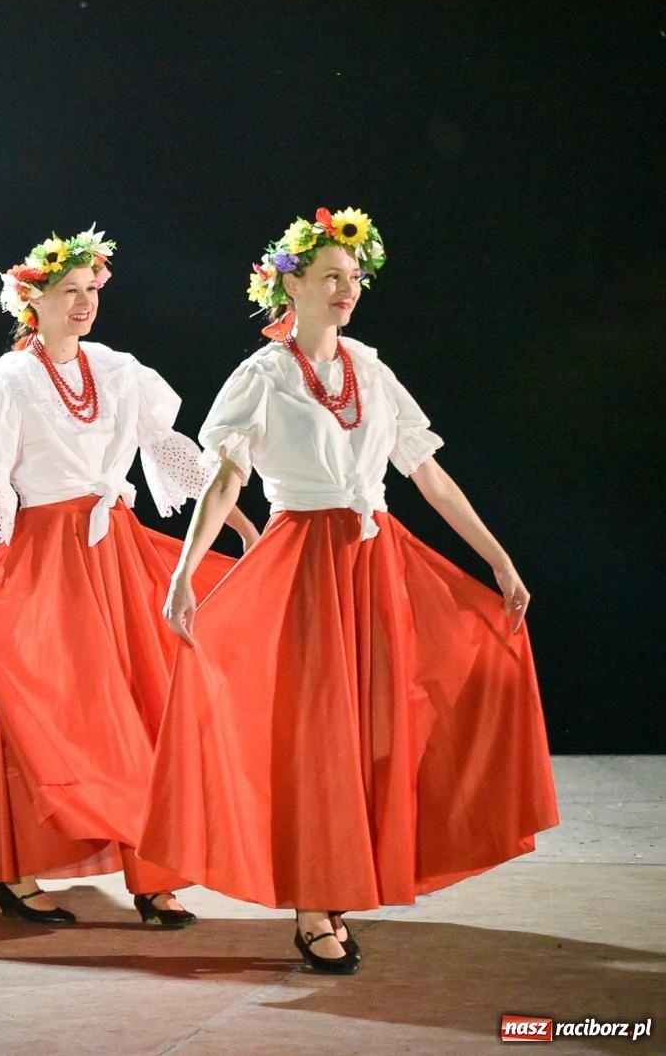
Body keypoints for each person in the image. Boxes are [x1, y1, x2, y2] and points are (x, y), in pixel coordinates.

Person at [145, 207, 559, 972]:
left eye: (354, 278)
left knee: (376, 730)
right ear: (289, 285)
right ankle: (312, 907)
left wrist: (499, 560)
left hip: (375, 562)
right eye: (331, 277)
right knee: (316, 736)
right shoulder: (261, 376)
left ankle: (337, 888)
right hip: (303, 562)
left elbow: (426, 475)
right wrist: (183, 572)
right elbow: (226, 475)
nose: (347, 290)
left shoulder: (370, 368)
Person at [0, 228, 256, 926]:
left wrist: (235, 525)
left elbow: (168, 450)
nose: (84, 304)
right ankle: (20, 874)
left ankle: (153, 874)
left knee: (150, 703)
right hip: (45, 555)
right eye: (69, 292)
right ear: (34, 301)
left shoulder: (117, 370)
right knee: (48, 715)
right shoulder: (7, 384)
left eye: (91, 291)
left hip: (113, 549)